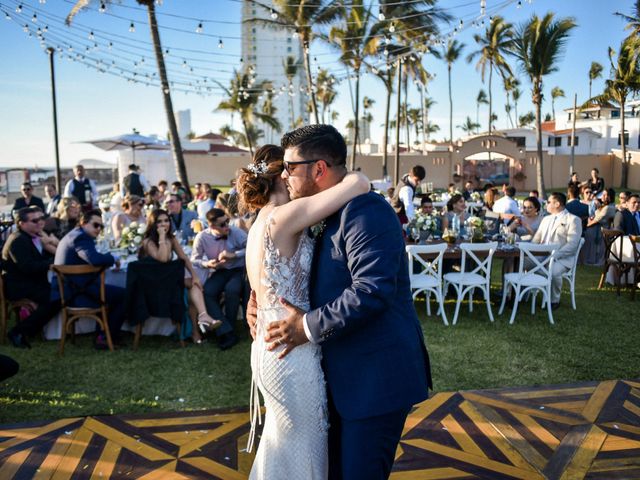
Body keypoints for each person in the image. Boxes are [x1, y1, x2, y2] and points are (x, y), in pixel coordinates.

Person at [246, 126, 431, 479]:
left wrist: (304, 326)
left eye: (289, 166)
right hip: (332, 376)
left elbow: (372, 290)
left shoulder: (366, 211)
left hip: (372, 380)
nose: (283, 175)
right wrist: (258, 301)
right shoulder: (318, 212)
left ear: (318, 169)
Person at [139, 209, 221, 344]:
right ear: (153, 224)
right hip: (156, 286)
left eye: (166, 221)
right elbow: (163, 259)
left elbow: (184, 258)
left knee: (194, 288)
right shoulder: (148, 242)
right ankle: (200, 324)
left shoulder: (171, 238)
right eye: (159, 221)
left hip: (169, 281)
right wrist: (161, 237)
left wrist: (194, 276)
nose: (163, 224)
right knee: (193, 290)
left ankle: (202, 318)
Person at [53, 209, 126, 349]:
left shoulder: (75, 234)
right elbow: (95, 259)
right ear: (83, 223)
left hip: (73, 289)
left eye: (101, 226)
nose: (99, 229)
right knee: (125, 295)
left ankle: (106, 334)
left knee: (116, 294)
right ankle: (104, 337)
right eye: (95, 225)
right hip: (76, 294)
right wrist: (113, 258)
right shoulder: (80, 237)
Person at [191, 208, 247, 350]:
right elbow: (194, 259)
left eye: (227, 221)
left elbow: (252, 247)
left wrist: (234, 254)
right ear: (212, 226)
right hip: (219, 271)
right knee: (207, 292)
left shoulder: (236, 232)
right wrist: (207, 264)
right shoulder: (202, 237)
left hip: (238, 270)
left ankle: (229, 331)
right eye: (222, 224)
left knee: (232, 289)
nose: (227, 226)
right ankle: (226, 331)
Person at [3, 207, 59, 349]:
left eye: (41, 219)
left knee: (60, 293)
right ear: (21, 223)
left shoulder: (32, 236)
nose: (40, 222)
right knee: (56, 298)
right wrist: (50, 263)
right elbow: (28, 267)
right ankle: (18, 332)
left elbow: (39, 259)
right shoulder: (18, 240)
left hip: (31, 283)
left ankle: (31, 329)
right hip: (19, 287)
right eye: (34, 220)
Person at [531, 193, 582, 309]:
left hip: (562, 259)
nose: (546, 204)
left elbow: (572, 245)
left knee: (553, 272)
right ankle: (517, 295)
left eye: (548, 202)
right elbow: (536, 239)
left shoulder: (573, 220)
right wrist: (529, 251)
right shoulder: (546, 219)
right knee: (519, 263)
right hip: (540, 256)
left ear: (557, 204)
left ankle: (554, 300)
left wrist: (554, 256)